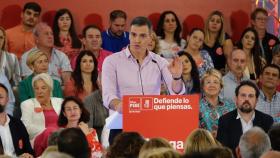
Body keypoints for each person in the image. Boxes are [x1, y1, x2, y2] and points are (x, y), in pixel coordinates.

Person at [102, 16, 185, 144]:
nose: (137, 40)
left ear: (150, 37)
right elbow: (108, 95)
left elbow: (177, 93)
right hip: (121, 124)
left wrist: (177, 77)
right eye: (133, 35)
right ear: (129, 36)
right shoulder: (112, 61)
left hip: (151, 125)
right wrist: (119, 105)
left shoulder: (159, 62)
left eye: (142, 36)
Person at [216, 80, 274, 153]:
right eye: (243, 95)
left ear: (256, 101)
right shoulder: (225, 120)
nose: (247, 99)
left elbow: (271, 151)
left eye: (251, 96)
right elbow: (222, 153)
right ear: (236, 99)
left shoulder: (267, 120)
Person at [20, 73, 63, 147]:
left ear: (50, 89)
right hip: (40, 140)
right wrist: (49, 132)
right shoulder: (27, 104)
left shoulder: (60, 102)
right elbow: (26, 127)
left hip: (62, 137)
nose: (39, 91)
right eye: (36, 88)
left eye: (43, 88)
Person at [0, 83, 34, 157]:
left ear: (7, 100)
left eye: (0, 97)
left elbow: (29, 151)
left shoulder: (17, 123)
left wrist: (27, 155)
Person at [199, 69, 235, 137]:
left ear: (221, 87)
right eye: (208, 82)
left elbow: (237, 126)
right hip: (206, 145)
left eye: (215, 82)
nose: (212, 85)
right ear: (203, 87)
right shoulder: (196, 107)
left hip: (228, 145)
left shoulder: (230, 105)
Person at [84, 74, 108, 141]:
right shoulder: (89, 100)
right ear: (99, 83)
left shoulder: (124, 97)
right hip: (99, 141)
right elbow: (88, 129)